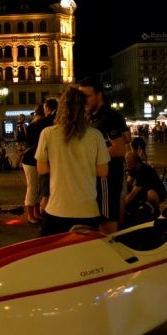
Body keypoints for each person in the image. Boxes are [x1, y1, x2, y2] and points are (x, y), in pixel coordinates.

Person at [35, 87, 110, 237]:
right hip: (88, 211)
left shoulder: (48, 134)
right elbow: (103, 171)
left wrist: (60, 167)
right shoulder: (95, 135)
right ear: (85, 108)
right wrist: (83, 168)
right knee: (83, 256)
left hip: (57, 209)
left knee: (49, 254)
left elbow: (42, 168)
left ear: (61, 108)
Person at [78, 76, 131, 235]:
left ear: (99, 95)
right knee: (99, 217)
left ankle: (112, 252)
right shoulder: (91, 117)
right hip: (97, 178)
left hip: (108, 177)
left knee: (107, 219)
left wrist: (90, 157)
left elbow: (119, 149)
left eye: (87, 96)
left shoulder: (110, 117)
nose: (83, 101)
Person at [122, 151, 167, 224]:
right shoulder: (133, 168)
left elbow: (133, 193)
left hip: (158, 192)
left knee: (150, 194)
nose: (127, 164)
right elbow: (128, 183)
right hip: (145, 190)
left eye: (128, 163)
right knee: (127, 191)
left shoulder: (144, 170)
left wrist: (122, 206)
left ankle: (157, 211)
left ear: (135, 162)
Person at [21, 104, 45, 224]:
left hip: (33, 157)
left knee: (36, 187)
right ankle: (30, 215)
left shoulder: (33, 124)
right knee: (33, 187)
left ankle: (36, 212)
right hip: (31, 159)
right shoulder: (39, 125)